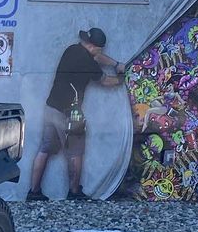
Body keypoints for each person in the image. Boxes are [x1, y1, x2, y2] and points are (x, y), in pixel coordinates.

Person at [26, 27, 126, 202]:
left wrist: (116, 64)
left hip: (51, 108)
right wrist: (122, 78)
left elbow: (97, 57)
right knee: (76, 153)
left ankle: (33, 192)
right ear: (95, 47)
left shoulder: (72, 49)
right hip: (69, 113)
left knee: (45, 149)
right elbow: (105, 81)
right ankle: (74, 193)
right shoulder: (87, 62)